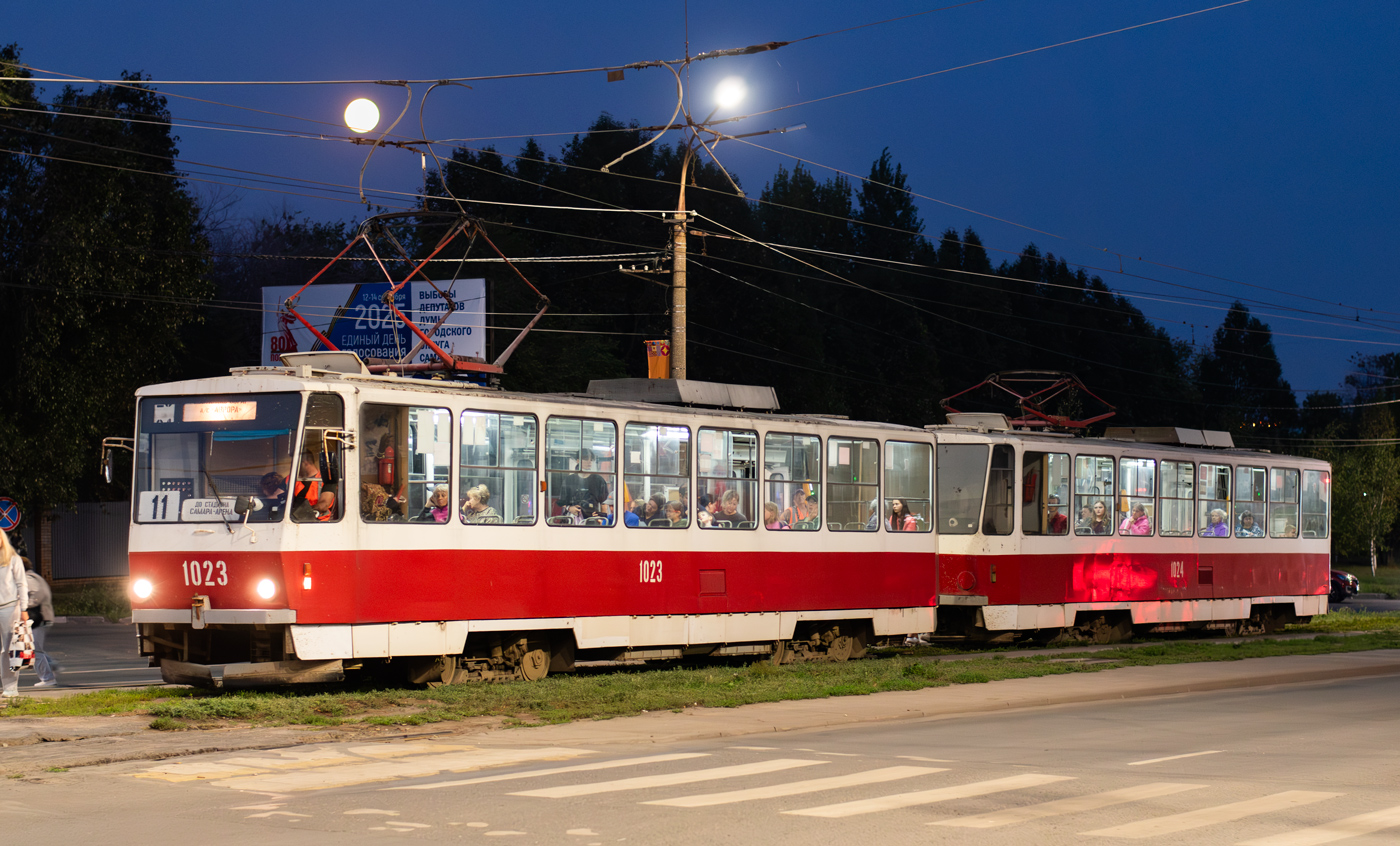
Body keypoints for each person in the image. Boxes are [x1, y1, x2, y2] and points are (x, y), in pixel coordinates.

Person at [0, 530, 28, 699]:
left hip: (9, 608)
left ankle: (10, 688)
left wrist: (24, 609)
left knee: (8, 650)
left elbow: (22, 585)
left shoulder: (13, 559)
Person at [22, 559, 56, 688]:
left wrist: (25, 605)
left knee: (35, 650)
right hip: (42, 617)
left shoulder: (29, 578)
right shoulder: (33, 576)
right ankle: (51, 665)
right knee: (36, 648)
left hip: (38, 618)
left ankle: (48, 679)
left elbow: (36, 595)